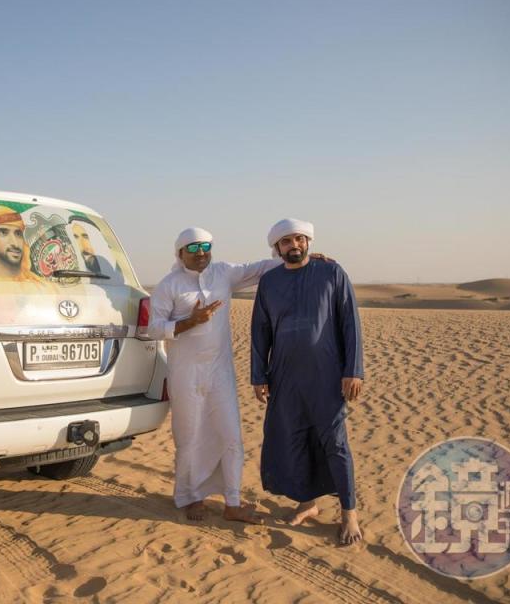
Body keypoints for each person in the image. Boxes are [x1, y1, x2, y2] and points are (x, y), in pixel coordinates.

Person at [147, 227, 281, 523]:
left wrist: (307, 259)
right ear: (180, 253)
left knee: (231, 434)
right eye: (193, 248)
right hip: (185, 373)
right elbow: (154, 328)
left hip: (220, 371)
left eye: (206, 246)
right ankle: (189, 497)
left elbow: (263, 268)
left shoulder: (224, 273)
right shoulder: (169, 285)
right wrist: (188, 322)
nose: (200, 253)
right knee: (189, 436)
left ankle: (232, 502)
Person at [250, 218, 364, 546]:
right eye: (287, 242)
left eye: (299, 239)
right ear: (277, 248)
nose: (294, 245)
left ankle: (349, 512)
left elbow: (350, 323)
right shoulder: (270, 283)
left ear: (308, 242)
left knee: (335, 443)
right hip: (284, 378)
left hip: (326, 376)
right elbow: (260, 331)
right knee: (295, 439)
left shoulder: (331, 273)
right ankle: (307, 503)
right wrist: (259, 376)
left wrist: (353, 370)